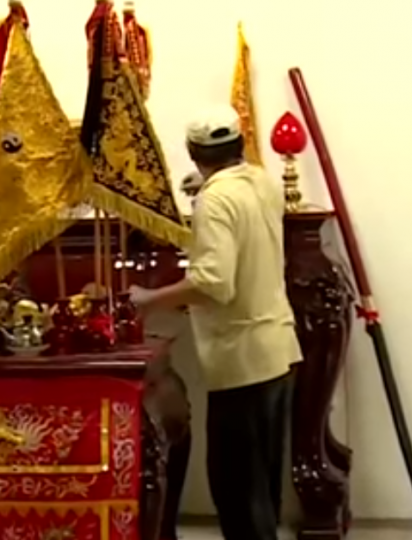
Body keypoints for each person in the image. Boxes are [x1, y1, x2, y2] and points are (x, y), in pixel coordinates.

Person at [128, 105, 302, 540]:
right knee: (261, 490)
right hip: (277, 350)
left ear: (192, 152)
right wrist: (205, 186)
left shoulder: (216, 199)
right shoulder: (261, 181)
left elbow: (213, 283)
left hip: (242, 362)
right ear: (239, 145)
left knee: (237, 490)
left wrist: (150, 299)